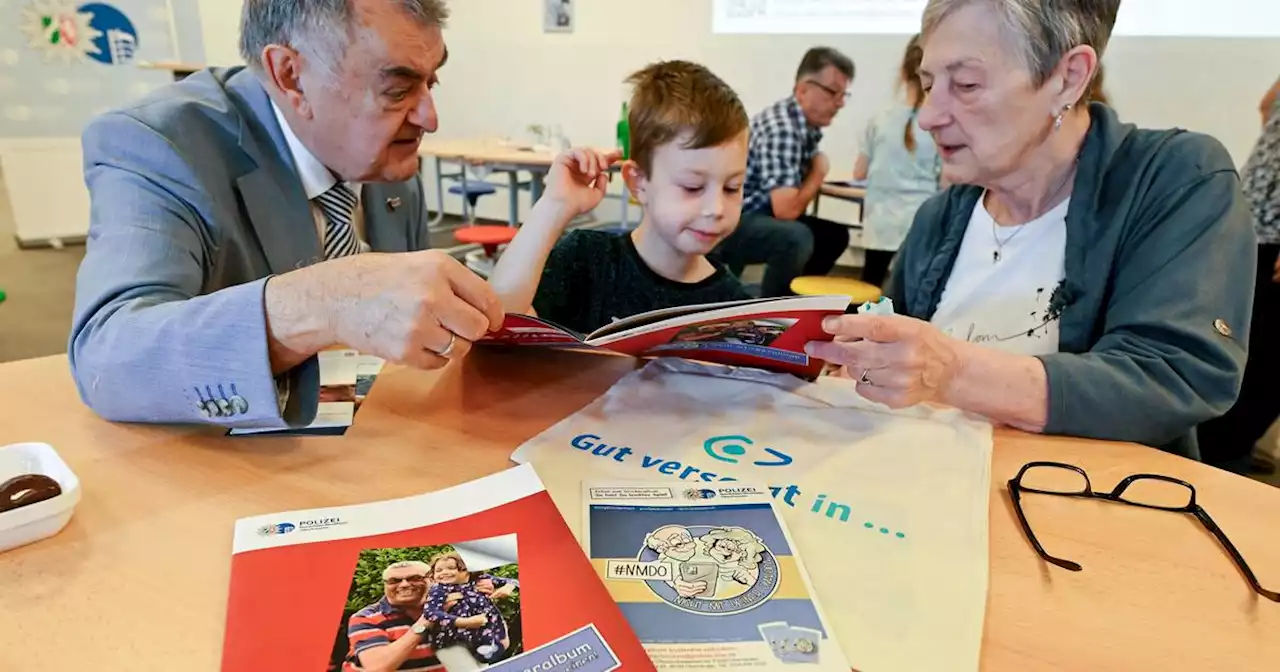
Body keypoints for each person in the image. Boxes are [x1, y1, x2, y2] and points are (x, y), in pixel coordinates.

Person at [805, 0, 1256, 459]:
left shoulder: (1172, 180)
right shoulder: (939, 219)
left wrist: (952, 371)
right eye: (927, 84)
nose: (928, 116)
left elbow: (1177, 375)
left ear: (1068, 77)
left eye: (966, 85)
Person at [68, 0, 504, 430]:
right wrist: (328, 299)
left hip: (371, 450)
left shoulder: (388, 160)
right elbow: (108, 356)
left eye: (433, 80)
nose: (430, 118)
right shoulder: (160, 144)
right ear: (291, 76)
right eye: (396, 90)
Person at [488, 60, 752, 333]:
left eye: (733, 187)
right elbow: (498, 321)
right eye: (692, 187)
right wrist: (554, 206)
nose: (716, 208)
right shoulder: (588, 260)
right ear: (638, 183)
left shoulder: (733, 306)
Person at [713, 47, 855, 297]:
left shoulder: (801, 126)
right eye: (833, 92)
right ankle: (773, 312)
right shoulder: (783, 129)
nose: (840, 103)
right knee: (795, 237)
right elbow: (786, 209)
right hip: (734, 219)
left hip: (758, 214)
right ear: (802, 90)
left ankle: (800, 301)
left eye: (844, 95)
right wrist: (818, 172)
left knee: (834, 235)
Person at [1196, 76, 1280, 473]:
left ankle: (1225, 447)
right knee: (1263, 351)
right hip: (1268, 229)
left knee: (1254, 345)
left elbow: (1267, 105)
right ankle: (1222, 450)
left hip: (1254, 217)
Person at [852, 35, 943, 288]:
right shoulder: (937, 124)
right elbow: (945, 180)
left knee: (869, 285)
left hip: (880, 224)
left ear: (903, 72)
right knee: (911, 289)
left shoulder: (879, 119)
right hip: (921, 223)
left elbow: (859, 172)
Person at [346, 560, 495, 671]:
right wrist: (428, 618)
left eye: (415, 578)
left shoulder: (455, 604)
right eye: (394, 581)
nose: (404, 585)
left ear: (434, 580)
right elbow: (378, 667)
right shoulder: (367, 618)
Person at [423, 553, 518, 663]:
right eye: (438, 570)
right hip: (454, 640)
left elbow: (513, 580)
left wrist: (508, 587)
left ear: (468, 570)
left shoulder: (480, 580)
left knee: (485, 663)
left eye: (451, 568)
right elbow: (430, 612)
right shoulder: (440, 589)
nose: (444, 573)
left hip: (487, 636)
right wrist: (464, 622)